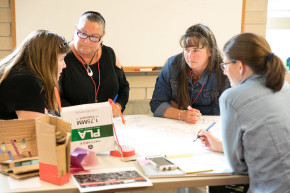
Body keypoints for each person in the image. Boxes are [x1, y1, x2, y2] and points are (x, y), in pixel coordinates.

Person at [198, 33, 290, 192]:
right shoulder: (285, 87)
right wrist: (220, 146)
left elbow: (237, 167)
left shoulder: (232, 98)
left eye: (225, 65)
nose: (225, 72)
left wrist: (227, 148)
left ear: (240, 66)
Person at [150, 24, 229, 124]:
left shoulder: (222, 71)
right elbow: (156, 104)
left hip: (209, 127)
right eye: (186, 50)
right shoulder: (172, 65)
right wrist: (182, 115)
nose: (190, 56)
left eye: (196, 50)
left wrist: (180, 108)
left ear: (210, 52)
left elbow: (221, 110)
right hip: (175, 125)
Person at [59, 11, 129, 117]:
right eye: (82, 34)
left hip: (106, 123)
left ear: (102, 37)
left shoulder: (109, 54)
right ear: (76, 29)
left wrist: (118, 106)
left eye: (94, 37)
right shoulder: (61, 56)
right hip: (72, 124)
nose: (87, 41)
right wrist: (80, 116)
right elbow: (53, 99)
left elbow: (124, 87)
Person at [0, 30, 69, 120]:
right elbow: (37, 130)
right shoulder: (27, 82)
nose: (65, 65)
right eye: (61, 59)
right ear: (47, 61)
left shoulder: (13, 72)